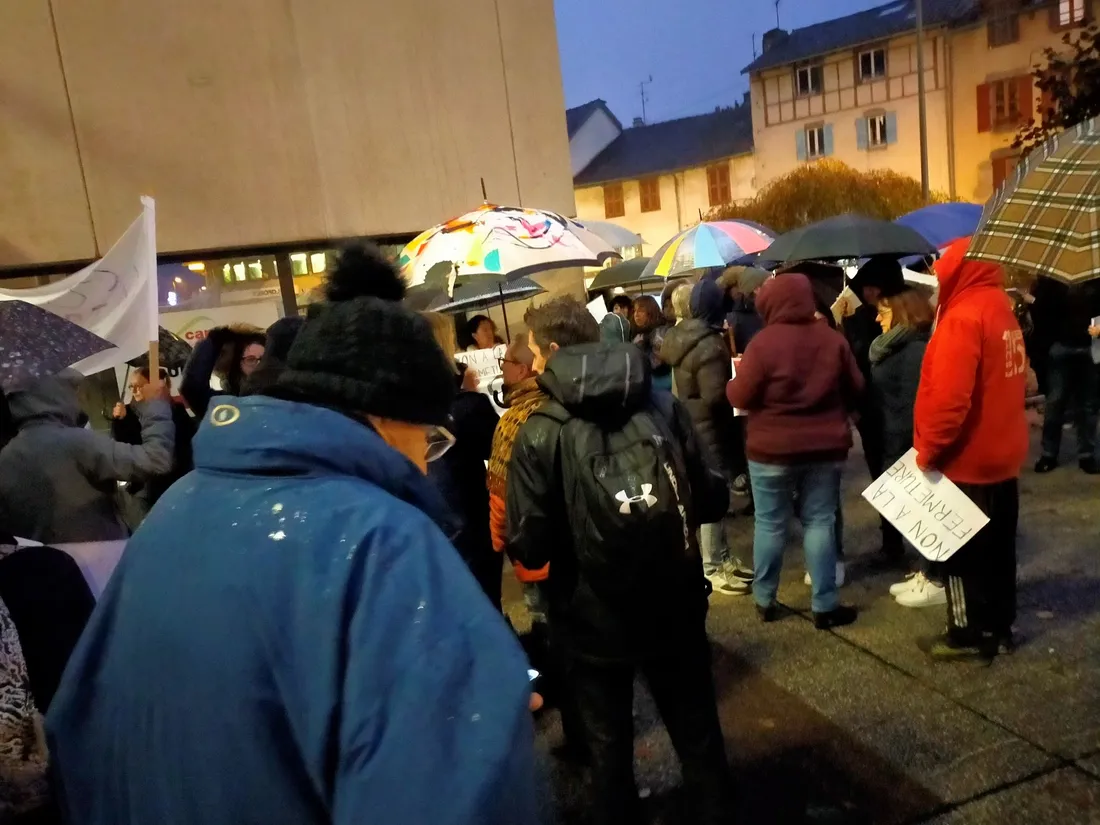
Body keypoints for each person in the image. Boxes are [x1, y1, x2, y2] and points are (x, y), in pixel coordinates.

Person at [46, 245, 540, 825]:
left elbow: (74, 725)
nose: (427, 465)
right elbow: (451, 791)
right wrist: (480, 715)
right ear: (383, 419)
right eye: (429, 440)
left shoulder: (178, 507)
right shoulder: (381, 542)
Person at [506, 297, 733, 825]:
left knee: (608, 749)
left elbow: (529, 544)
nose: (536, 366)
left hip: (591, 617)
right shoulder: (660, 404)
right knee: (698, 734)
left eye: (537, 354)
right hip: (674, 599)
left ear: (556, 351)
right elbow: (710, 497)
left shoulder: (540, 430)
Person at [913, 238, 1028, 660]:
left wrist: (929, 451)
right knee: (1000, 549)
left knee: (959, 554)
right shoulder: (1000, 309)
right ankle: (999, 627)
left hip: (968, 459)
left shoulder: (962, 318)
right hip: (1003, 454)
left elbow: (948, 400)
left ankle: (965, 632)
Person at [728, 273, 862, 629]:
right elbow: (856, 387)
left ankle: (765, 598)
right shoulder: (832, 341)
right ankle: (824, 604)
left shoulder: (762, 344)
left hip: (770, 451)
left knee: (769, 523)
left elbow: (740, 396)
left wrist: (731, 386)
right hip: (825, 447)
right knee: (820, 521)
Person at [0, 370, 174, 544]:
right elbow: (156, 460)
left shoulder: (6, 456)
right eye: (71, 390)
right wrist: (156, 406)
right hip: (100, 558)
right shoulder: (76, 442)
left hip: (43, 565)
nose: (79, 398)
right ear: (54, 395)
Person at [662, 279, 751, 597]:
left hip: (690, 424)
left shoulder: (679, 337)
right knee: (715, 496)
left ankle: (720, 558)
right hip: (711, 428)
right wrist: (738, 380)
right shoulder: (709, 344)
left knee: (706, 494)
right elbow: (717, 396)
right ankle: (715, 566)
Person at [865, 290, 941, 607]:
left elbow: (919, 402)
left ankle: (933, 574)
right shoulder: (895, 346)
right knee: (912, 509)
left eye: (883, 313)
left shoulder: (916, 350)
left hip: (908, 440)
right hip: (894, 436)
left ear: (901, 313)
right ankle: (926, 569)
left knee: (924, 509)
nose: (877, 319)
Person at [423, 310, 501, 607]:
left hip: (428, 518)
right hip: (465, 515)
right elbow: (492, 445)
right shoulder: (463, 403)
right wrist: (471, 395)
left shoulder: (397, 399)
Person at [843, 257, 909, 559]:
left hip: (894, 411)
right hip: (872, 412)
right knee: (883, 479)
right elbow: (854, 364)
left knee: (902, 479)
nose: (871, 295)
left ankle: (911, 548)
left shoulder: (901, 320)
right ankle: (892, 542)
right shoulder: (857, 316)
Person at [1029, 276, 1100, 474]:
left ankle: (1086, 454)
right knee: (1055, 402)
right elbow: (1041, 309)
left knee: (1089, 404)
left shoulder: (1095, 277)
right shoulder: (1052, 279)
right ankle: (1049, 453)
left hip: (1091, 344)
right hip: (1061, 345)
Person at [111, 366, 197, 524]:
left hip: (176, 485)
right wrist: (120, 421)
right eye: (132, 386)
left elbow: (184, 445)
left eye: (140, 385)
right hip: (144, 487)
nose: (135, 390)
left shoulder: (175, 410)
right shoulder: (129, 413)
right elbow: (126, 446)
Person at [179, 325, 267, 420]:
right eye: (251, 360)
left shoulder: (281, 394)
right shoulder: (230, 404)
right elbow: (193, 389)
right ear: (237, 365)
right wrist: (212, 342)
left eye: (264, 359)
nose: (259, 365)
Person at [632, 295, 672, 393]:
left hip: (661, 387)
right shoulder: (639, 332)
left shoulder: (659, 333)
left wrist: (638, 348)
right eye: (635, 310)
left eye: (641, 311)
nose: (636, 314)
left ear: (651, 312)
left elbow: (656, 364)